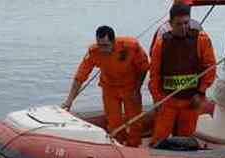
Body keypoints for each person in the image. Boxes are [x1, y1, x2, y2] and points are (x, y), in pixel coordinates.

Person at [62, 26, 149, 147]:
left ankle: (133, 145)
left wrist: (137, 89)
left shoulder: (130, 46)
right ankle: (118, 144)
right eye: (100, 45)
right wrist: (69, 100)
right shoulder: (93, 51)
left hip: (130, 87)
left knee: (134, 121)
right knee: (113, 121)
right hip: (110, 88)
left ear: (113, 42)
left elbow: (144, 67)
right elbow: (80, 76)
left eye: (105, 46)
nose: (102, 49)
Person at [149, 3, 216, 146]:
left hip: (192, 100)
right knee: (159, 138)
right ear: (171, 24)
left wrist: (201, 92)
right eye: (179, 24)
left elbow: (210, 68)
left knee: (185, 139)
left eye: (186, 23)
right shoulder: (161, 44)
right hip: (168, 100)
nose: (183, 27)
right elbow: (154, 75)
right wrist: (157, 98)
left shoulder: (201, 40)